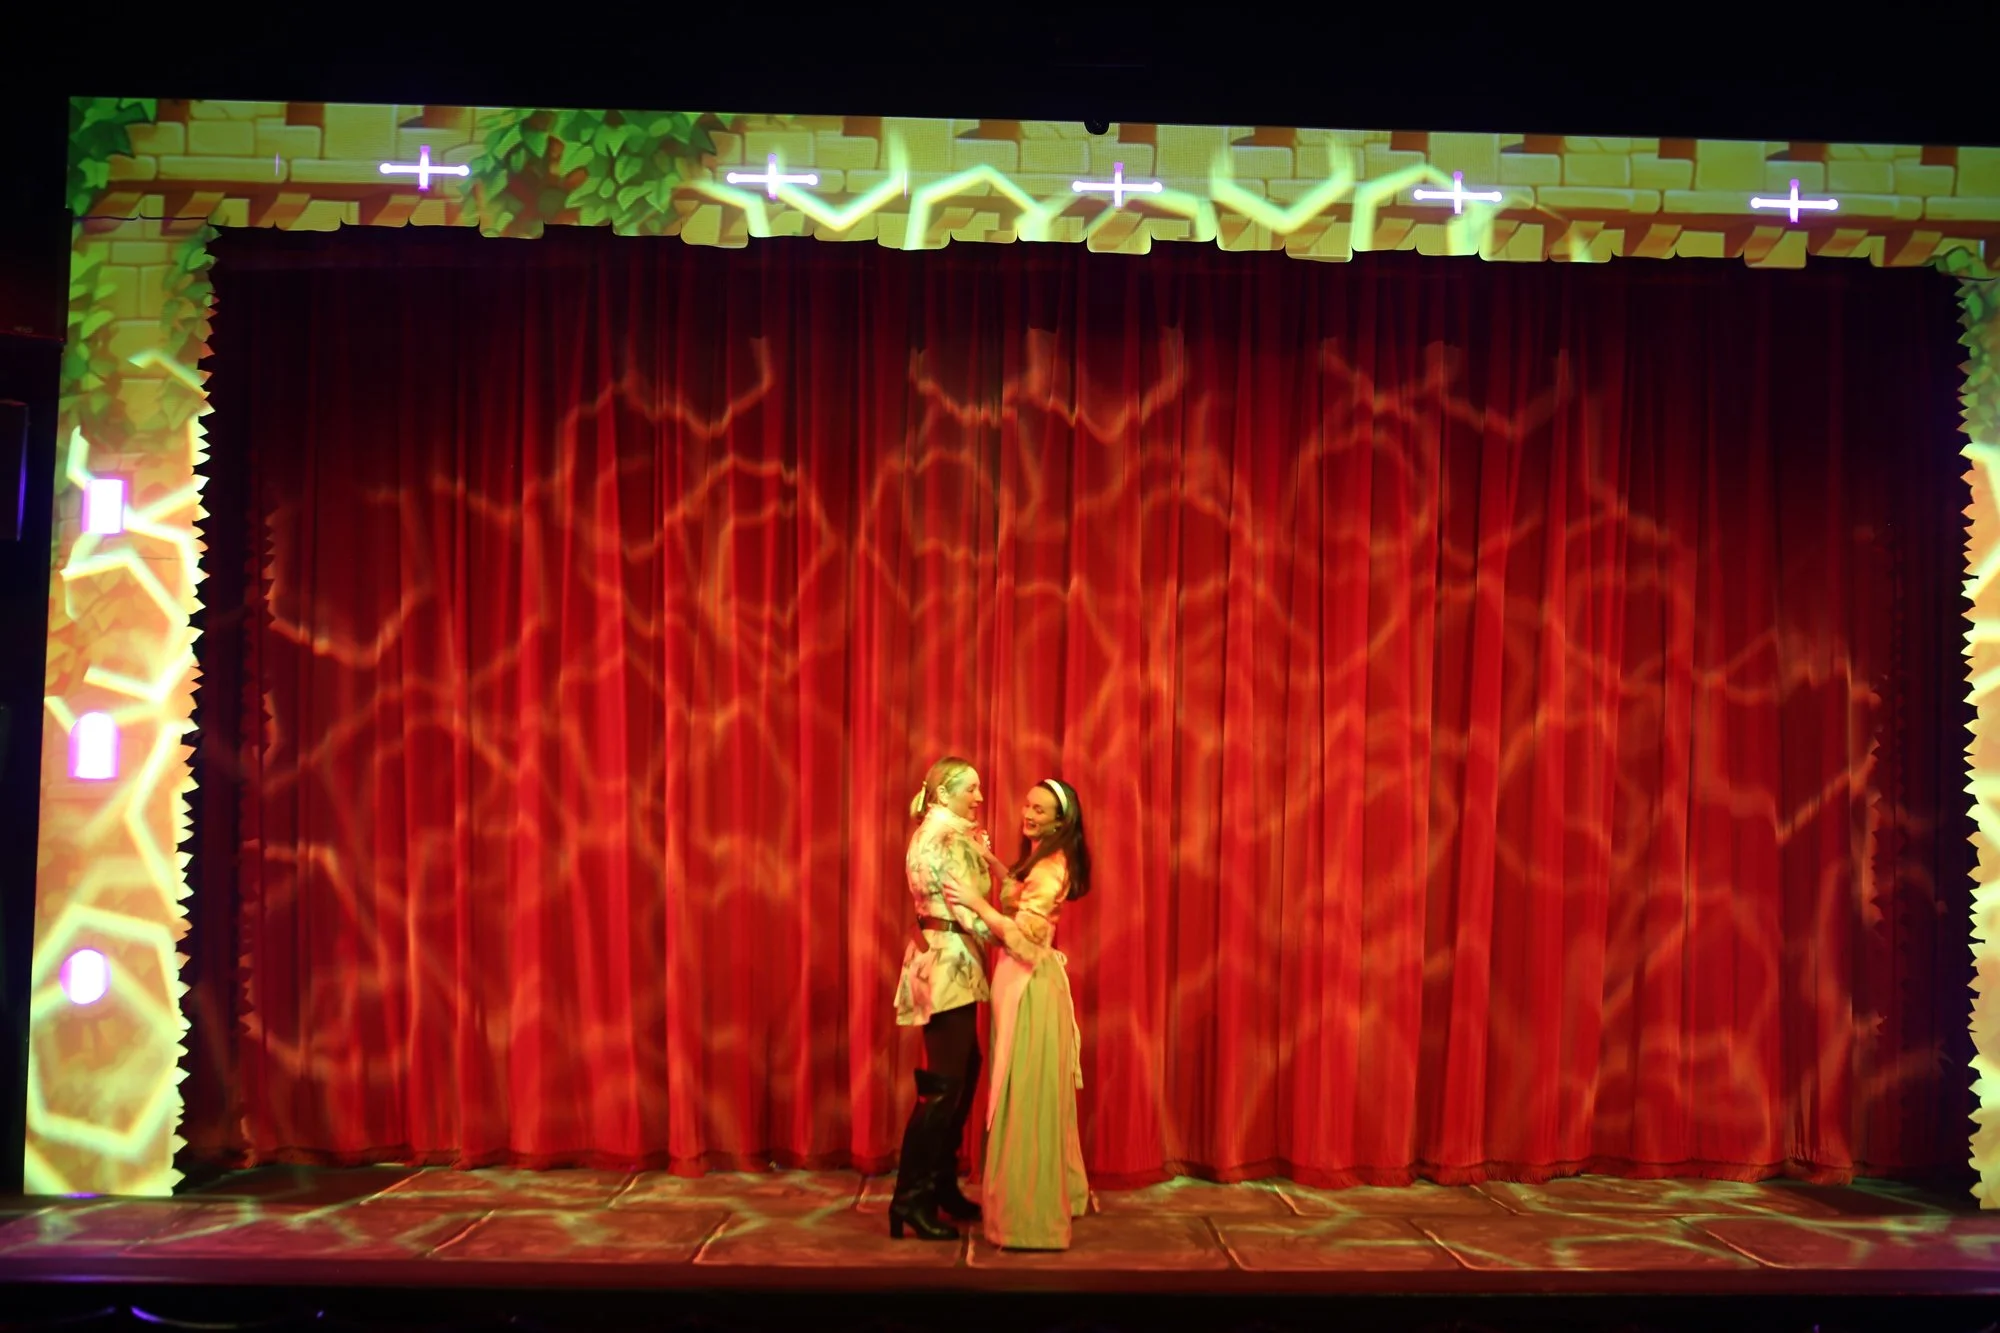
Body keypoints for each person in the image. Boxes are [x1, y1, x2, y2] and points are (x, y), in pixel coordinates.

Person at [944, 778, 1091, 1250]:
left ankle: (1029, 1220)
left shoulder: (1051, 865)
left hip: (1032, 989)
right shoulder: (1040, 859)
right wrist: (990, 861)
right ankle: (1042, 1200)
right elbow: (1021, 894)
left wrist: (975, 903)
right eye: (1027, 804)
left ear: (1060, 821)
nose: (1028, 814)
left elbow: (1025, 939)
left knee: (1024, 1094)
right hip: (1020, 985)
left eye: (1040, 810)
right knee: (1022, 1089)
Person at [889, 755, 1000, 1239]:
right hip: (947, 961)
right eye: (970, 789)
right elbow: (968, 909)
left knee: (962, 1070)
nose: (979, 797)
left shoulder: (942, 834)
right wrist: (1016, 935)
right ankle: (910, 1199)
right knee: (944, 1084)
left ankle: (938, 1184)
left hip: (946, 957)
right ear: (943, 794)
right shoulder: (946, 838)